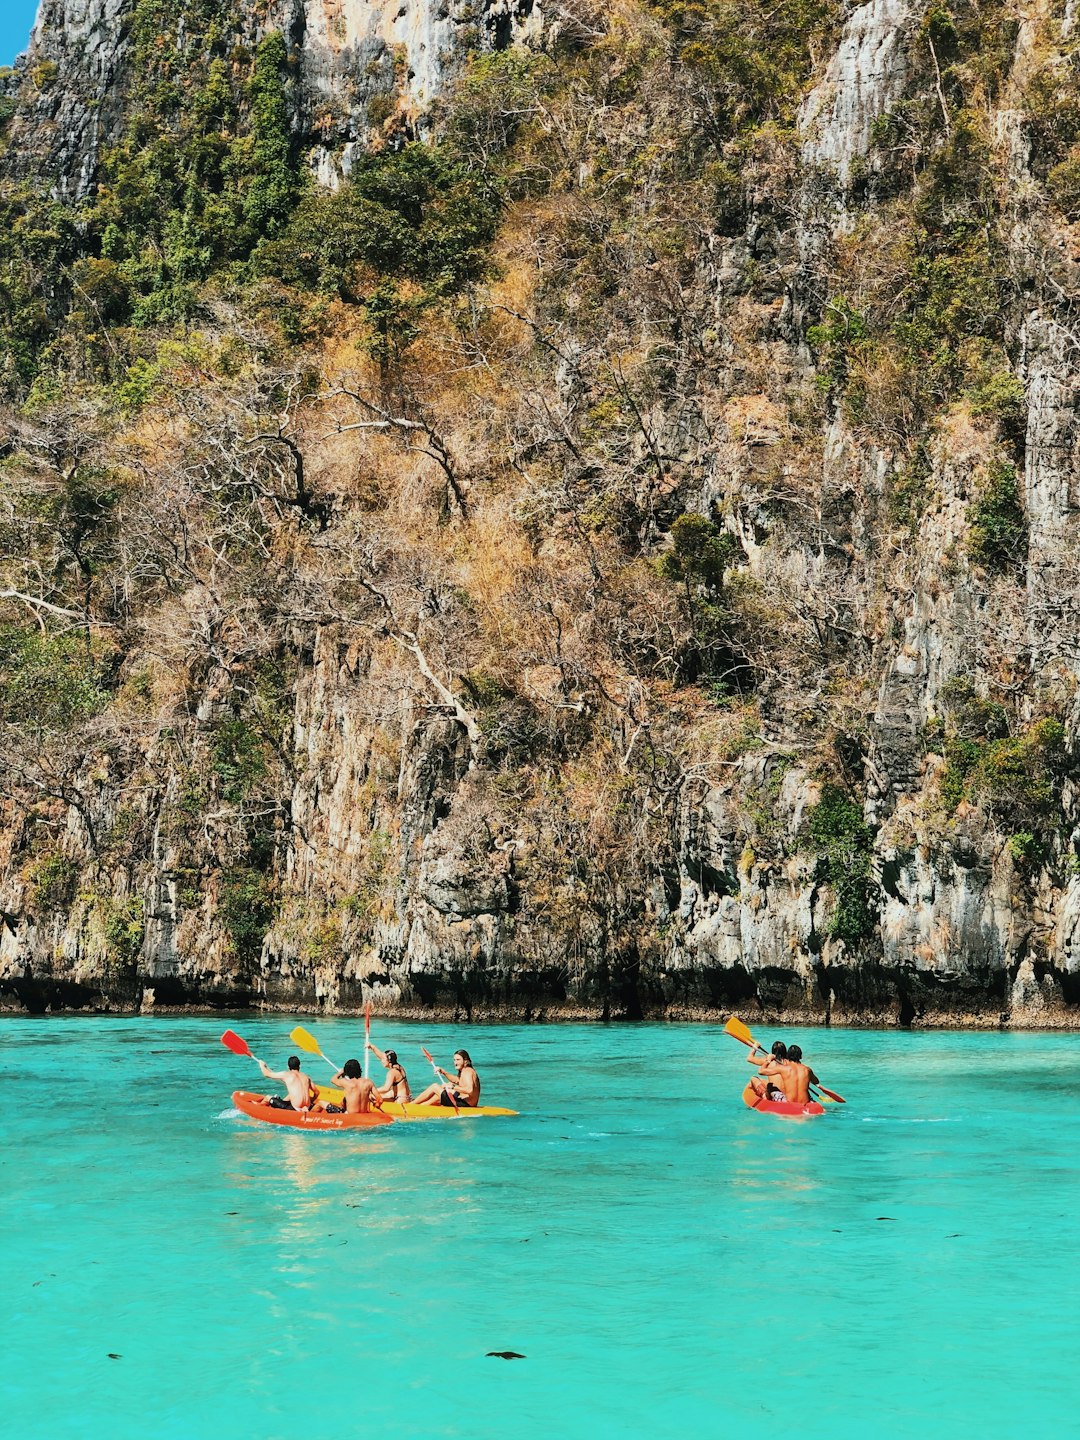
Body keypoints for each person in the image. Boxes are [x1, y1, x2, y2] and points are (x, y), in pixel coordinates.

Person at [413, 1049, 481, 1108]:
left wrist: (452, 1086)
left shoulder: (467, 1071)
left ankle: (412, 1104)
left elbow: (469, 1090)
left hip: (466, 1104)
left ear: (465, 1061)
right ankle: (422, 1106)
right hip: (465, 1101)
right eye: (454, 1060)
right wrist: (443, 1072)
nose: (455, 1063)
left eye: (458, 1060)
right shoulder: (464, 1070)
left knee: (435, 1087)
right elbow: (457, 1080)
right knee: (438, 1095)